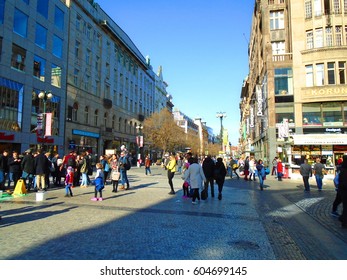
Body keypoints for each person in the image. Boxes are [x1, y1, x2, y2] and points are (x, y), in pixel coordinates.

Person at [337, 155, 347, 228]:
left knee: (345, 206)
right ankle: (344, 221)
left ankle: (343, 219)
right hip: (345, 190)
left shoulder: (341, 168)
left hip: (342, 191)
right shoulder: (344, 169)